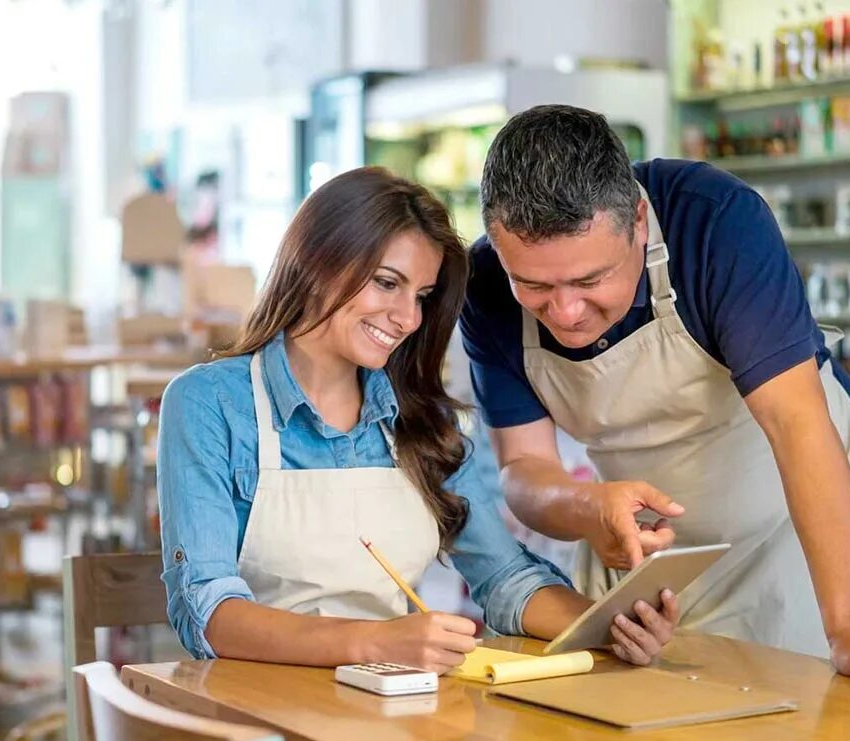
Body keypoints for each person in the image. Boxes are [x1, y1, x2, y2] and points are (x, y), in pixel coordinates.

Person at [460, 105, 850, 686]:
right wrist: (590, 510)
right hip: (642, 550)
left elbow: (797, 426)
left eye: (590, 281)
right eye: (533, 286)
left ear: (639, 219)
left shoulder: (715, 223)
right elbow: (524, 468)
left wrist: (848, 627)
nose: (564, 311)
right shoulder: (485, 282)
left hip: (784, 524)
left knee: (798, 726)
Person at [157, 167, 679, 672]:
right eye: (387, 283)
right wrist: (375, 642)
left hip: (389, 712)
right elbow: (205, 609)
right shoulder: (208, 403)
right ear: (317, 261)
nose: (408, 319)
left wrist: (606, 626)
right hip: (250, 725)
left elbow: (504, 577)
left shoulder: (423, 421)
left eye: (422, 297)